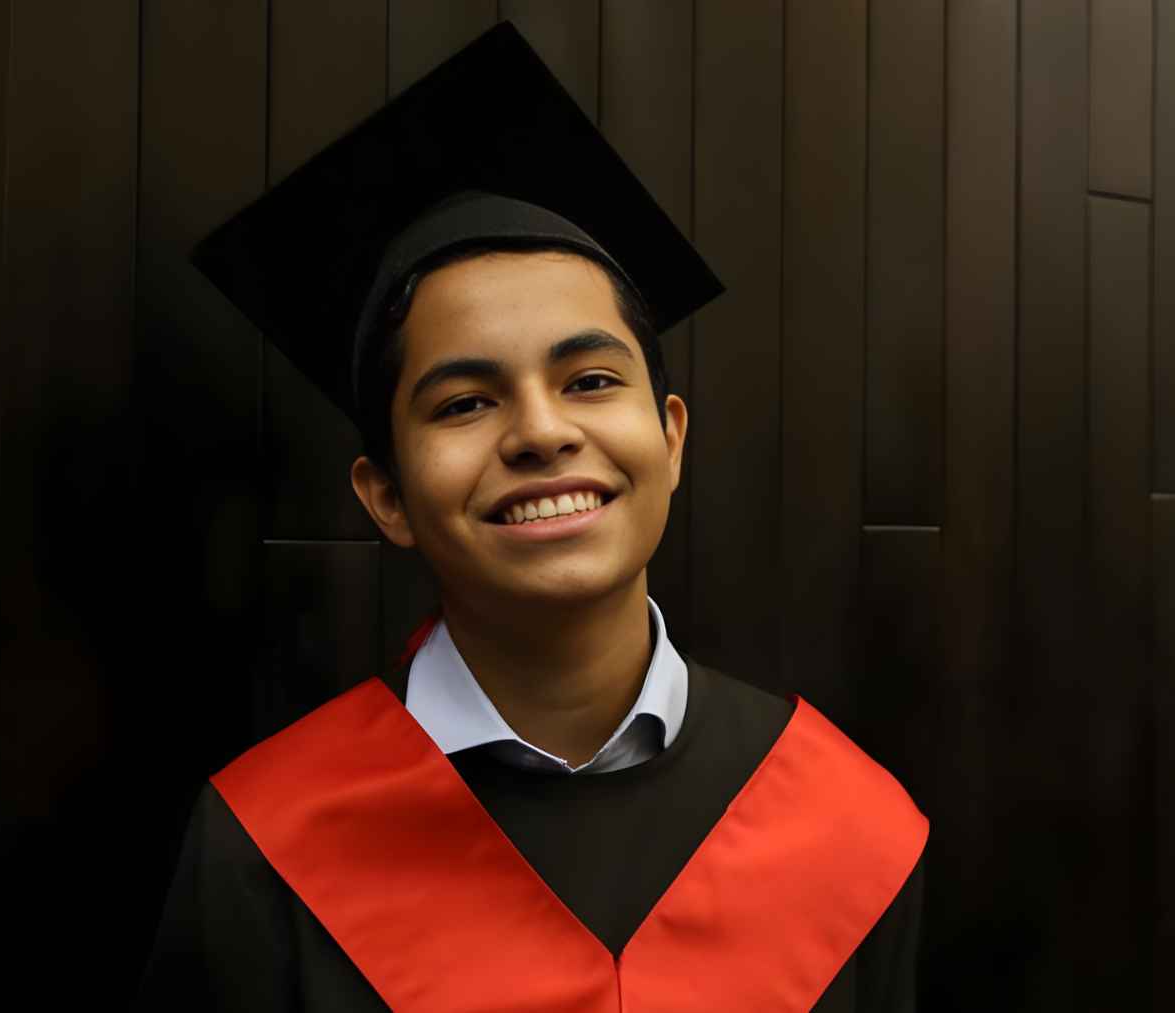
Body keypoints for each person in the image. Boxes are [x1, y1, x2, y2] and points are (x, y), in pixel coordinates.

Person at [131, 21, 927, 1012]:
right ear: (385, 495)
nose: (541, 432)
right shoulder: (263, 846)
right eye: (465, 402)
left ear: (671, 438)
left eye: (591, 378)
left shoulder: (848, 822)